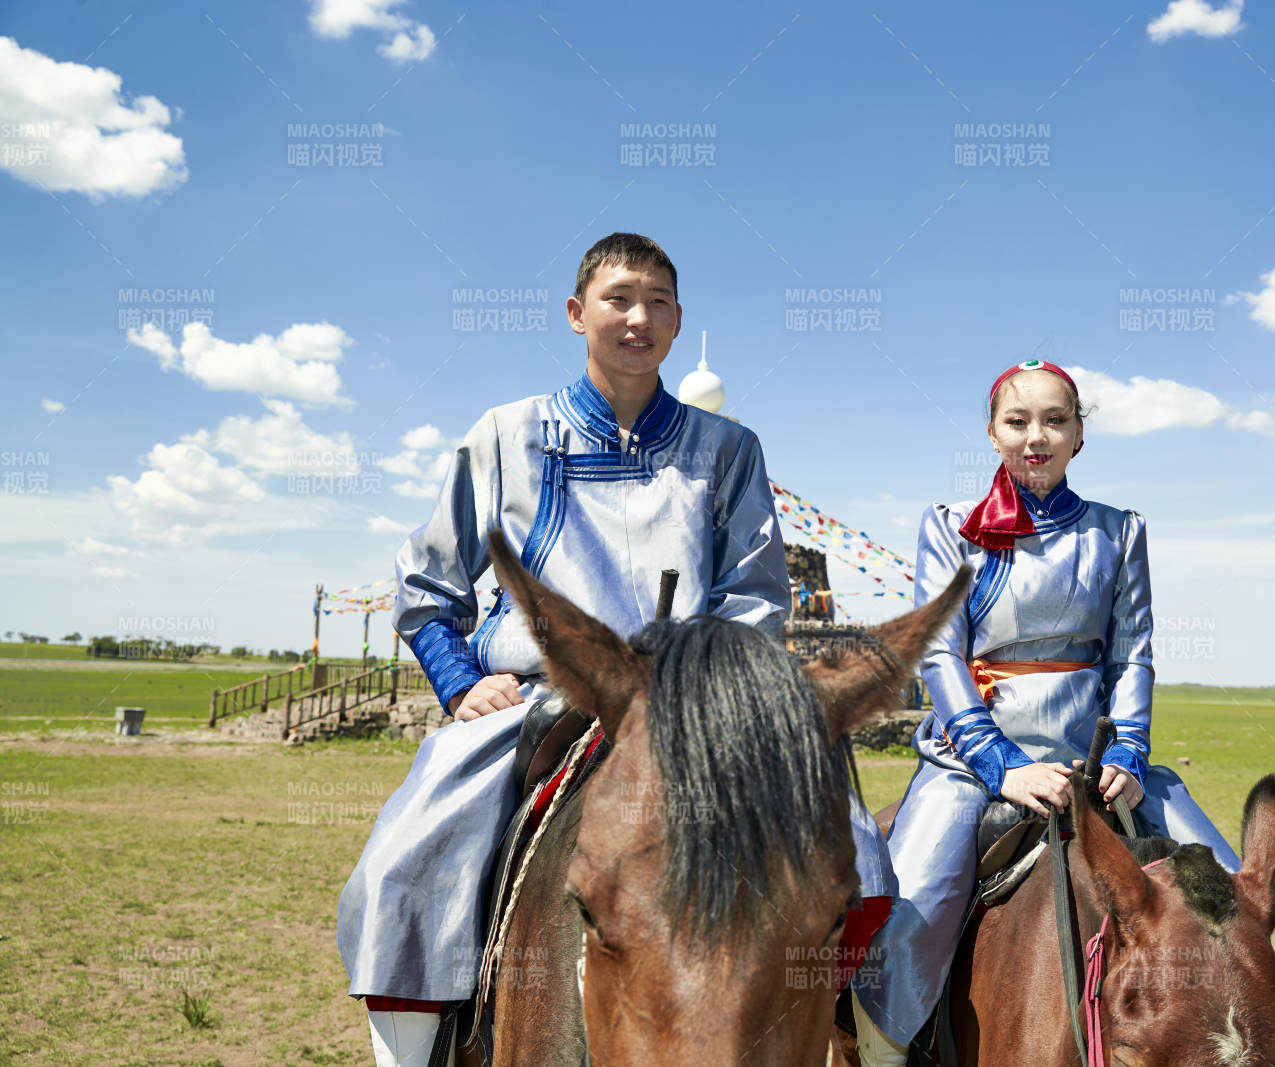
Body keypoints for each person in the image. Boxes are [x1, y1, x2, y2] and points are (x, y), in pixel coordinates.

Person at [337, 234, 898, 1067]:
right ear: (576, 314)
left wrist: (708, 700)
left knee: (861, 857)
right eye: (619, 298)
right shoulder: (504, 436)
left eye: (658, 301)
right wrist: (461, 686)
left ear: (677, 323)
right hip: (538, 703)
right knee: (406, 861)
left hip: (699, 716)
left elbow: (755, 597)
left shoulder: (729, 449)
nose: (639, 316)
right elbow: (426, 586)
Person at [849, 359, 1241, 1066]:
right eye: (1018, 420)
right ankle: (881, 1056)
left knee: (1236, 896)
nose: (1037, 436)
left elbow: (1132, 656)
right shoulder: (950, 529)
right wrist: (1003, 766)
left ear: (1080, 435)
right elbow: (939, 655)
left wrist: (1125, 753)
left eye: (1056, 420)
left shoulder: (1119, 531)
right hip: (974, 764)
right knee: (904, 925)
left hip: (1097, 758)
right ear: (993, 433)